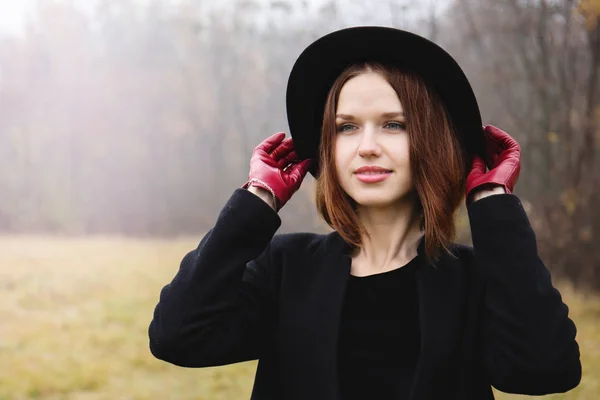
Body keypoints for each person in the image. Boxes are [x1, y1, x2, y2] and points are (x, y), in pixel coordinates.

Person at [148, 27, 581, 399]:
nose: (366, 145)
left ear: (431, 141)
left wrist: (491, 200)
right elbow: (178, 336)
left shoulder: (475, 280)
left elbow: (545, 370)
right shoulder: (285, 269)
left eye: (394, 124)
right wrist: (258, 198)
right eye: (346, 126)